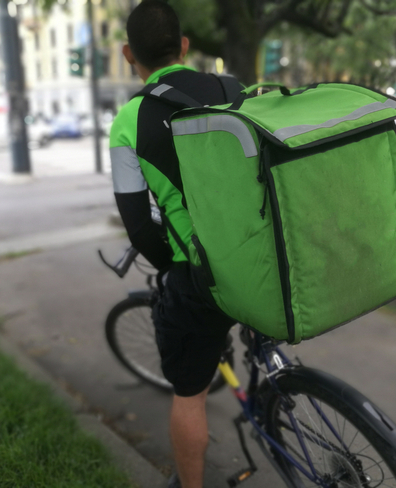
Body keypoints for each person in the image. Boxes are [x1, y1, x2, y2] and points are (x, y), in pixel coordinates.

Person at [108, 2, 242, 487]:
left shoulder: (129, 121)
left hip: (202, 275)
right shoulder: (234, 89)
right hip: (263, 253)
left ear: (128, 54)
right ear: (184, 47)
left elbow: (140, 227)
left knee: (190, 393)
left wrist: (171, 267)